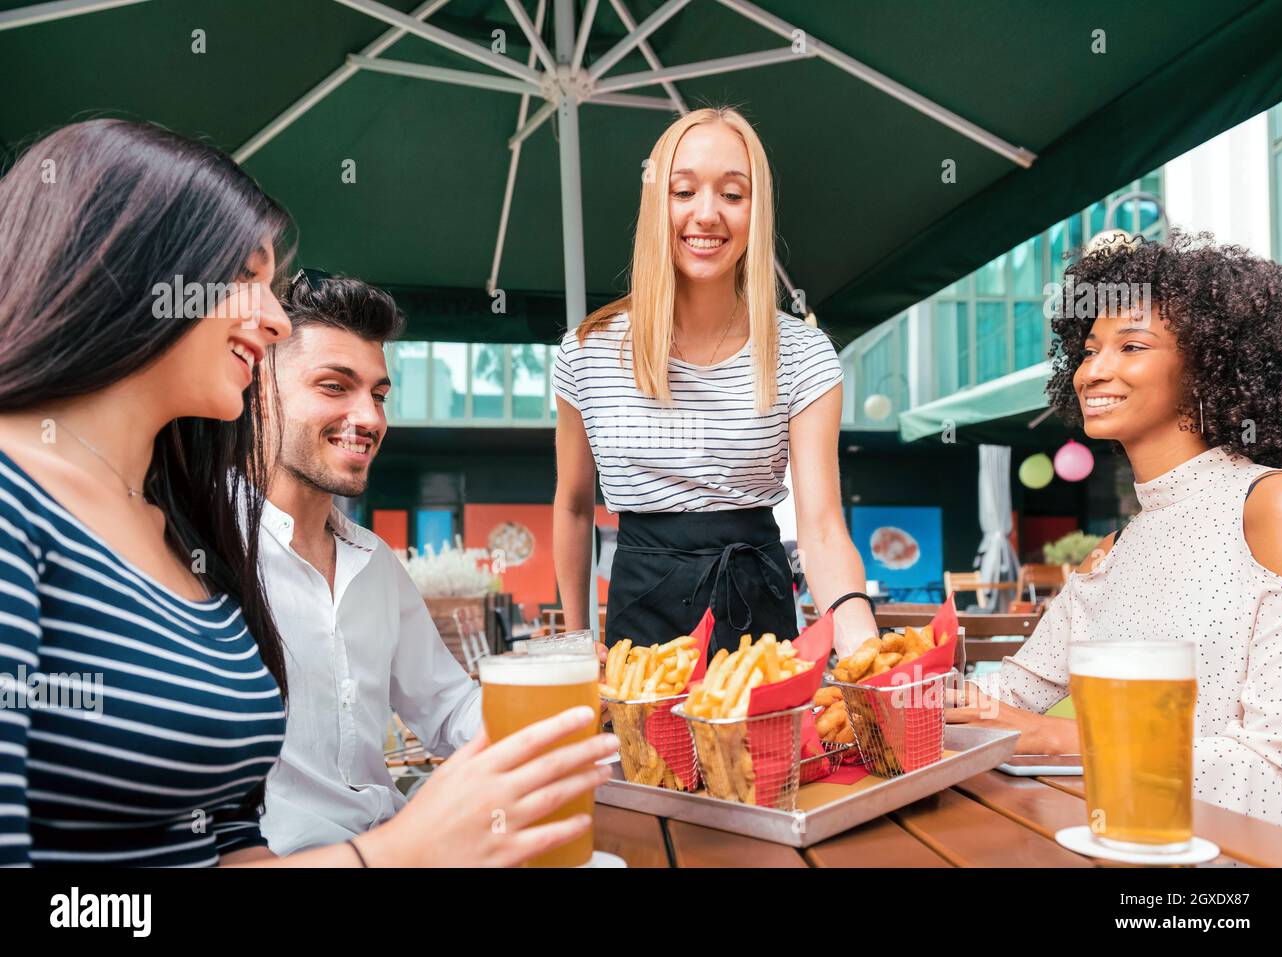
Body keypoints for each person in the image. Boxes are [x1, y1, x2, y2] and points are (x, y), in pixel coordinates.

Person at [0, 119, 614, 868]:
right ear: (137, 273)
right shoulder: (34, 505)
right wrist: (393, 856)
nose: (275, 315)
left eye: (379, 392)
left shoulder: (181, 535)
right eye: (244, 280)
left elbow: (228, 846)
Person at [947, 230, 1282, 830]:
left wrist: (1057, 739)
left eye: (1131, 346)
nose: (1094, 371)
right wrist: (901, 693)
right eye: (1089, 349)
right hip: (1118, 839)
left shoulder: (1276, 509)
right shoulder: (1116, 552)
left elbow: (1278, 771)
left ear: (1213, 362)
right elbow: (1011, 698)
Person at [552, 107, 878, 657]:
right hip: (639, 619)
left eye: (733, 194)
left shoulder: (803, 353)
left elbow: (821, 526)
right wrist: (576, 638)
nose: (707, 215)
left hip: (760, 614)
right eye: (684, 192)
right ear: (658, 205)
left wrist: (861, 639)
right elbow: (574, 508)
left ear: (758, 211)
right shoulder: (586, 351)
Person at [254, 270, 482, 854]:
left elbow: (449, 707)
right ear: (258, 392)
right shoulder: (204, 550)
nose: (371, 418)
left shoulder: (373, 560)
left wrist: (559, 690)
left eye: (378, 395)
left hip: (395, 844)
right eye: (335, 386)